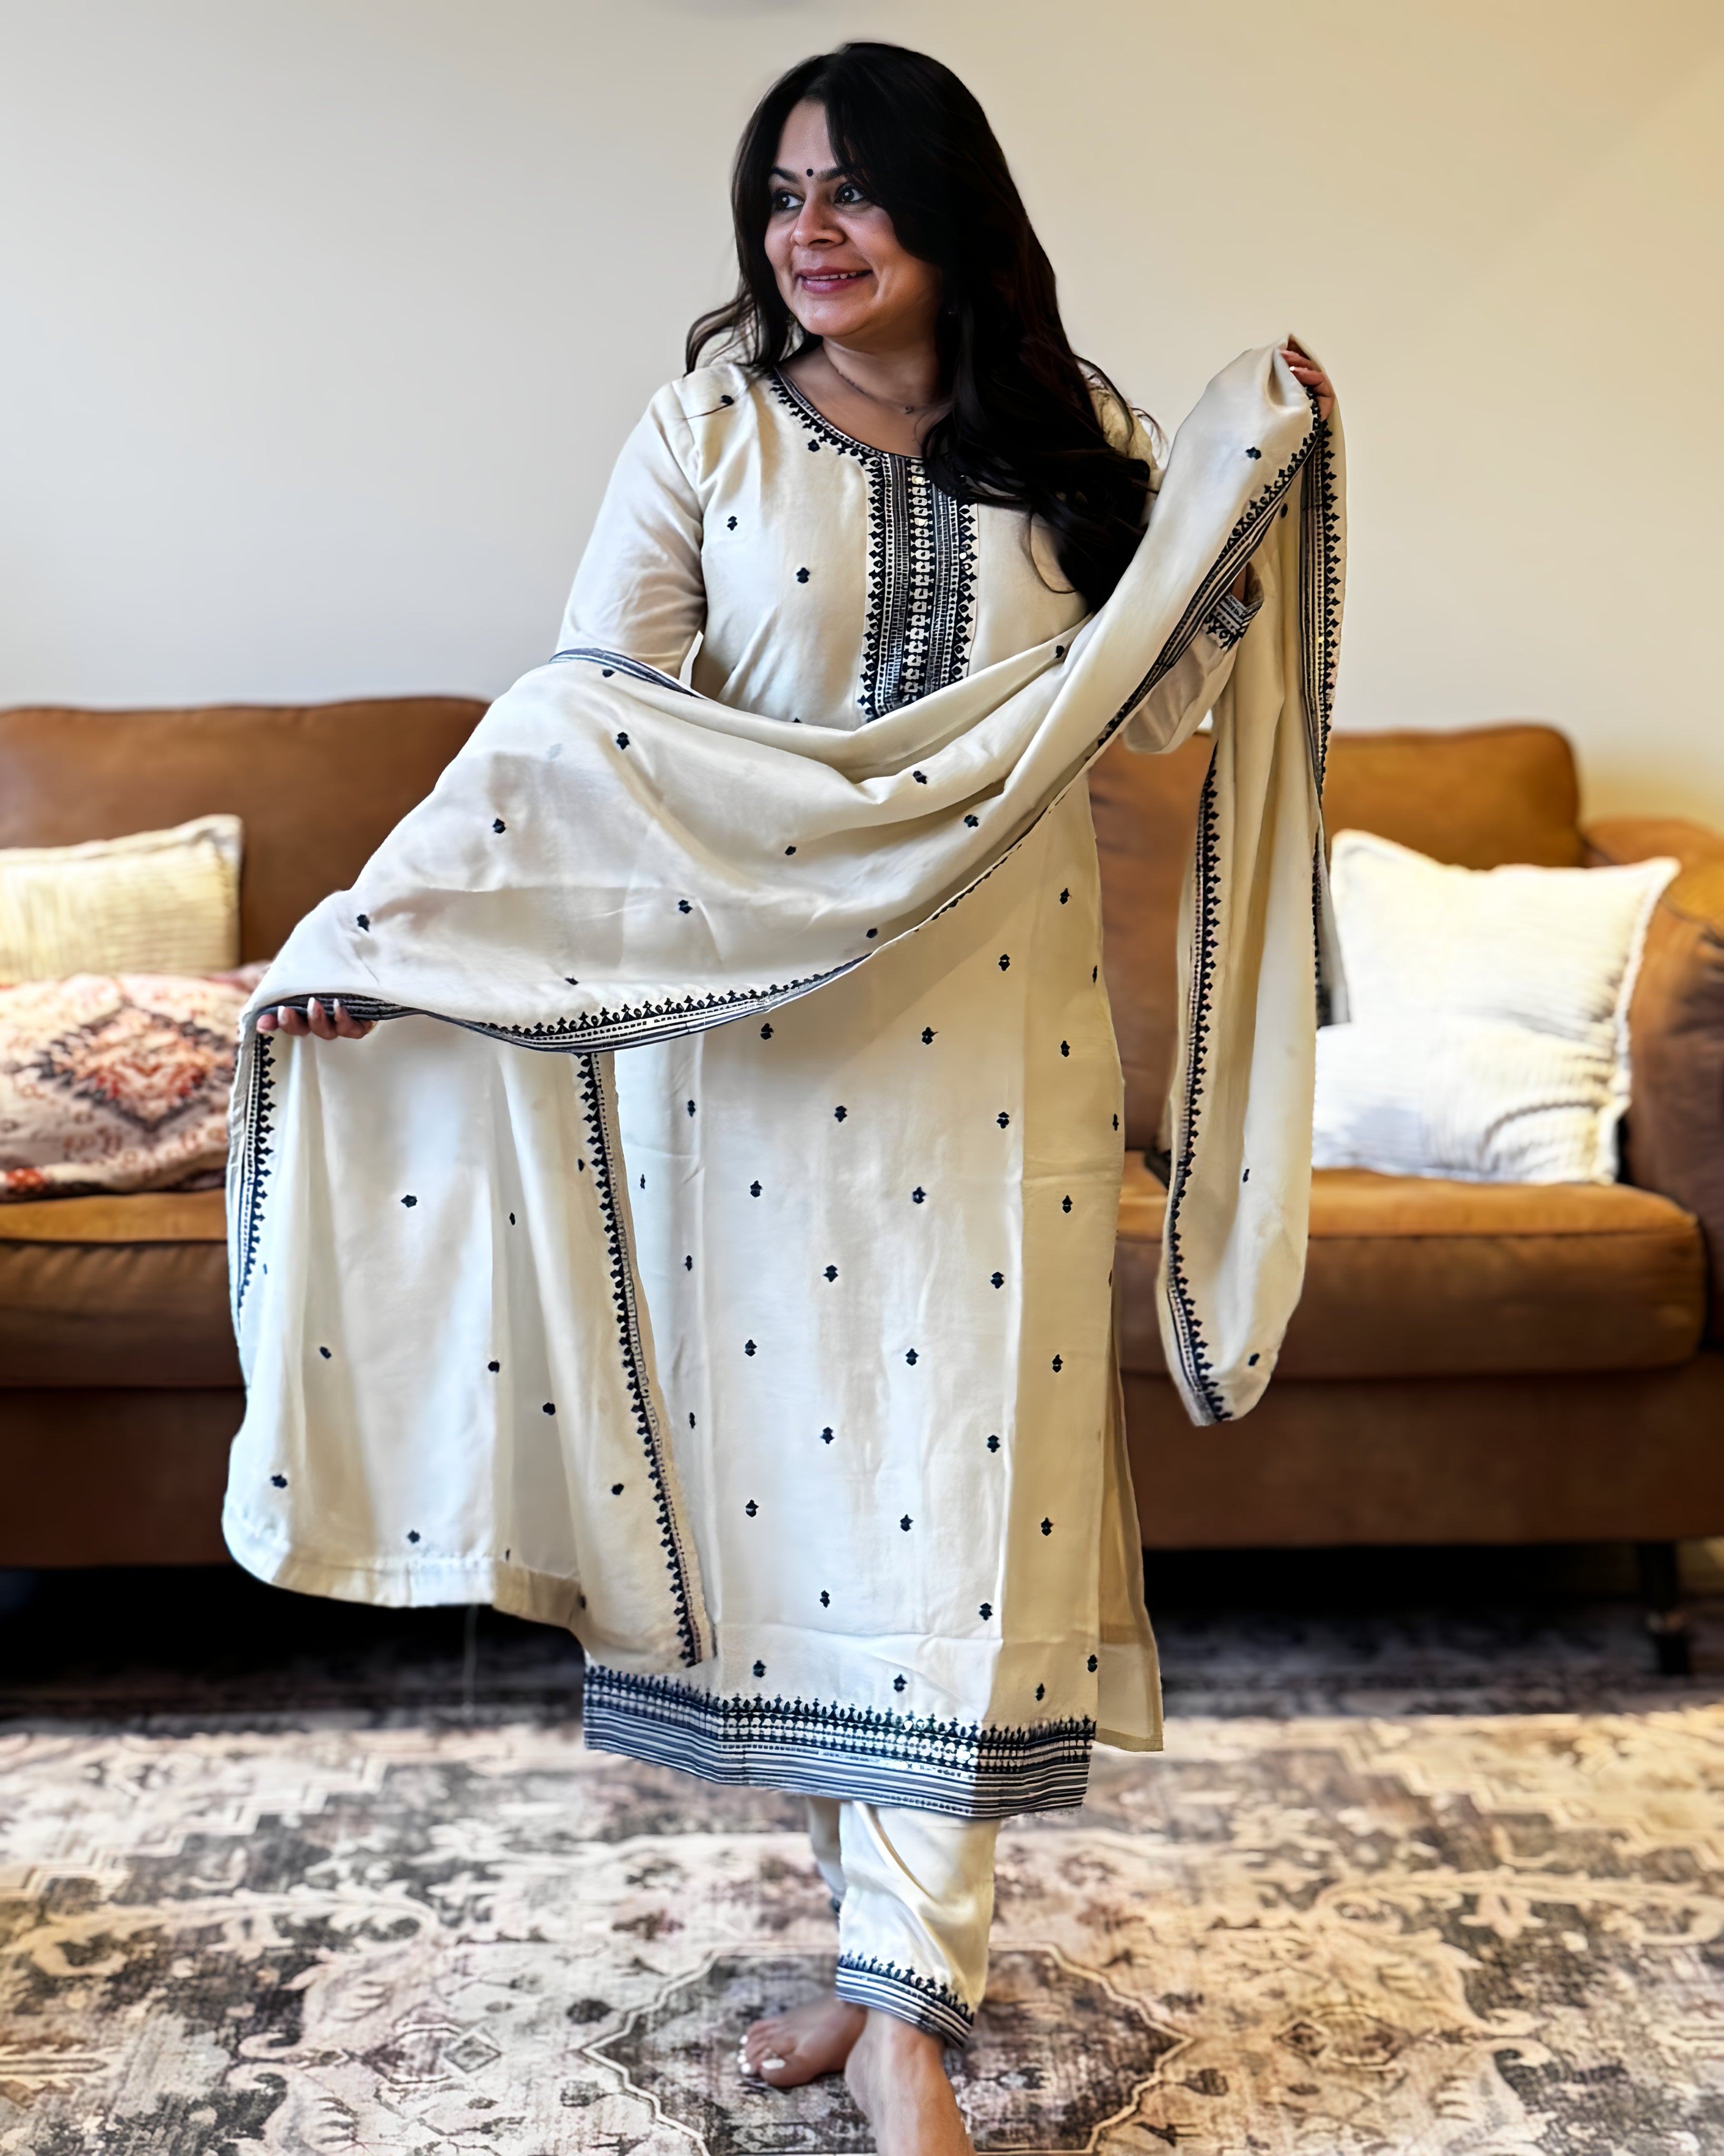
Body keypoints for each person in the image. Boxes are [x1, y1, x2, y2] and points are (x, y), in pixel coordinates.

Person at [252, 42, 1336, 2156]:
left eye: (850, 188)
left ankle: (908, 2008)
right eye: (780, 194)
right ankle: (875, 1959)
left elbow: (1159, 704)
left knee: (964, 1494)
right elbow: (588, 721)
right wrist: (398, 932)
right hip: (750, 1054)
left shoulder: (1081, 438)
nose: (808, 231)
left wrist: (1241, 485)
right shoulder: (710, 430)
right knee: (819, 1508)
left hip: (1001, 1048)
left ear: (951, 205)